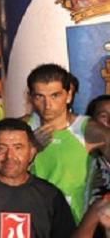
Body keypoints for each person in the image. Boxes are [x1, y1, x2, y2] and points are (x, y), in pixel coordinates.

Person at [26, 63, 110, 223]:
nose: (48, 105)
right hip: (31, 225)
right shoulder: (22, 129)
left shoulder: (88, 130)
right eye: (39, 97)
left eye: (55, 95)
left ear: (69, 95)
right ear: (30, 97)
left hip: (73, 226)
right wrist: (31, 148)